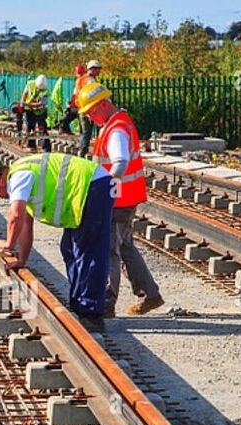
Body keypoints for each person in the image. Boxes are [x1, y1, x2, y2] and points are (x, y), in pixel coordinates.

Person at [0, 153, 115, 331]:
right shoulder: (22, 180)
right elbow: (26, 225)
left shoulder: (19, 176)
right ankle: (79, 306)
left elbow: (15, 215)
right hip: (85, 190)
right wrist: (22, 260)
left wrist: (9, 244)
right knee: (69, 249)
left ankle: (91, 314)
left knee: (88, 251)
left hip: (93, 186)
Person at [77, 82, 163, 316]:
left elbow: (121, 161)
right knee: (125, 248)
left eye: (92, 111)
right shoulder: (114, 124)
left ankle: (105, 304)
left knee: (108, 250)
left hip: (117, 200)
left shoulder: (115, 130)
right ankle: (150, 295)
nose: (91, 117)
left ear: (104, 104)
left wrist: (104, 185)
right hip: (123, 199)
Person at [78, 60, 102, 157]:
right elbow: (91, 97)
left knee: (85, 133)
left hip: (82, 109)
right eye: (97, 69)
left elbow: (76, 94)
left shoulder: (81, 79)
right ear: (91, 69)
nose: (99, 71)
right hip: (90, 110)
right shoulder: (91, 81)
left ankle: (82, 153)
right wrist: (90, 112)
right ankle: (89, 152)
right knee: (89, 133)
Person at [20, 75, 51, 150]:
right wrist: (22, 103)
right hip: (29, 110)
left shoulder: (46, 91)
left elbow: (41, 104)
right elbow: (25, 93)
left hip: (40, 111)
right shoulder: (30, 84)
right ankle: (31, 145)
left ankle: (46, 147)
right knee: (30, 127)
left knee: (43, 128)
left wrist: (27, 104)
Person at [61, 64, 85, 134]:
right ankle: (81, 134)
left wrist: (72, 104)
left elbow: (75, 94)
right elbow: (75, 94)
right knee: (80, 121)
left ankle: (64, 128)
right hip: (80, 104)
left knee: (77, 119)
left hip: (80, 105)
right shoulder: (83, 80)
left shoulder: (80, 81)